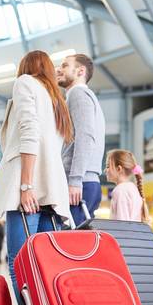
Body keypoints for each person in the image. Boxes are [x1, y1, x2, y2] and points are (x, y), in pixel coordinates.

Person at [0, 50, 73, 305]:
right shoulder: (55, 97)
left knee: (20, 266)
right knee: (46, 269)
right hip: (52, 191)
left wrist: (25, 184)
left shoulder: (26, 83)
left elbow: (28, 132)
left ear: (26, 68)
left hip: (29, 191)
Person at [56, 54, 105, 225]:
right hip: (85, 182)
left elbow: (85, 136)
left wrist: (75, 179)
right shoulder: (80, 95)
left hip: (80, 184)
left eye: (64, 65)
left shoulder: (78, 94)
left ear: (80, 71)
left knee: (68, 247)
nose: (58, 69)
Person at [104, 149, 149, 222]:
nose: (105, 170)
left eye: (108, 166)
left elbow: (122, 224)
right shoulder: (132, 188)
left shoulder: (120, 190)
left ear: (119, 169)